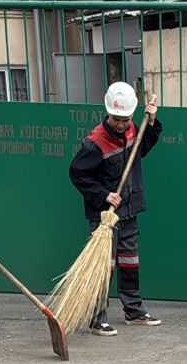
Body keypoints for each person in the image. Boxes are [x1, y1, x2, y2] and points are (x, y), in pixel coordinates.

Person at [69, 81, 163, 335]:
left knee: (130, 261)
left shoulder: (133, 130)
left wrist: (152, 122)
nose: (121, 124)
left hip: (130, 209)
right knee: (103, 266)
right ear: (108, 113)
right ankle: (97, 317)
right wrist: (104, 195)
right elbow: (78, 174)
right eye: (117, 119)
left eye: (125, 119)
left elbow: (143, 149)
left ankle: (134, 310)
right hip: (105, 215)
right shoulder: (95, 143)